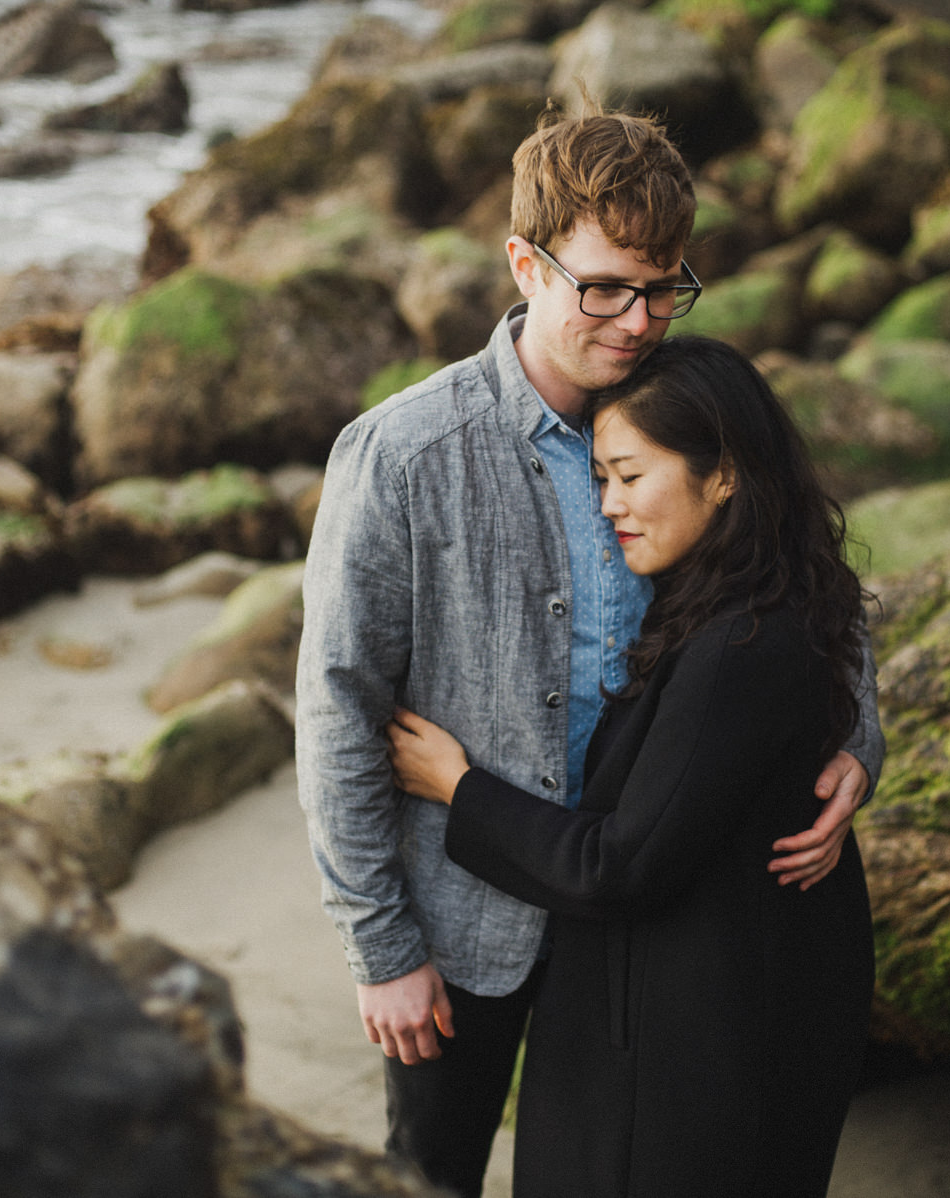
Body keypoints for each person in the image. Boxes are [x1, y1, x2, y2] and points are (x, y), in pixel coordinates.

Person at [295, 105, 884, 1198]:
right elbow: (338, 710)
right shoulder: (403, 454)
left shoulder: (682, 407)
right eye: (605, 286)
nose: (638, 319)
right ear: (525, 263)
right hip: (465, 931)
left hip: (644, 932)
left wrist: (858, 734)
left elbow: (803, 564)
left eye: (665, 287)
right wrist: (381, 945)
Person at [385, 335, 875, 1197]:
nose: (608, 506)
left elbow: (620, 864)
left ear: (723, 474)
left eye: (629, 475)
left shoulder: (740, 643)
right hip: (747, 991)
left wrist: (455, 786)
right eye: (600, 479)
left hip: (703, 1032)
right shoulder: (764, 590)